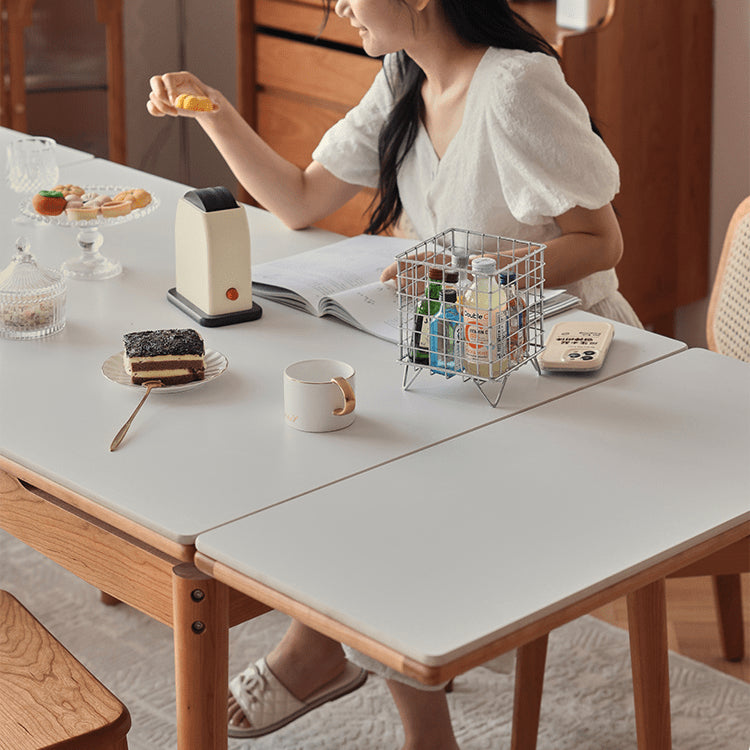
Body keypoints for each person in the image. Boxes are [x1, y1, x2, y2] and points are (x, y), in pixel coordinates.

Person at [148, 0, 642, 746]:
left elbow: (601, 243)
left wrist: (476, 265)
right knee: (324, 442)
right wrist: (212, 110)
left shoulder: (516, 85)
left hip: (568, 363)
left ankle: (345, 668)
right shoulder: (404, 77)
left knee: (388, 491)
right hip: (469, 346)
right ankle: (344, 658)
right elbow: (299, 197)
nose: (339, 6)